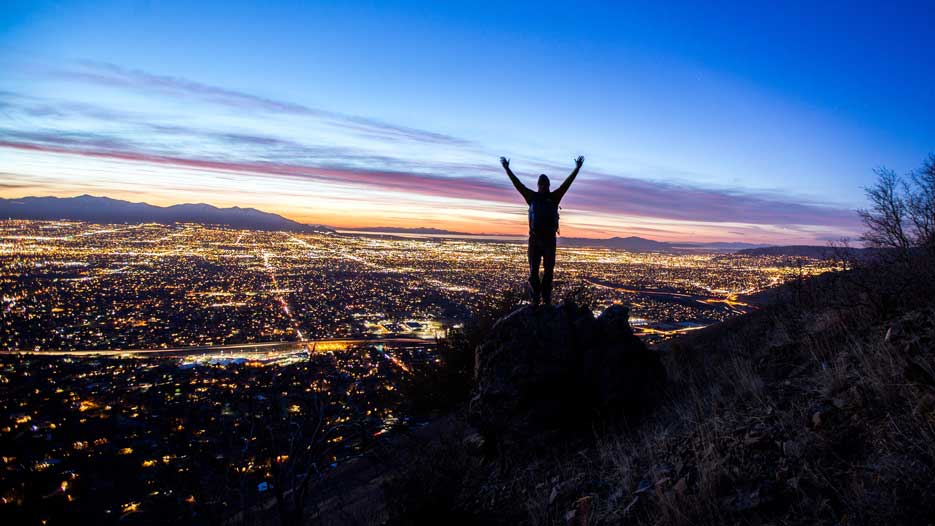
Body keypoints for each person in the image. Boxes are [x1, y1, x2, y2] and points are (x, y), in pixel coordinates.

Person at [500, 155, 584, 306]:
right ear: (539, 185)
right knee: (535, 271)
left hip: (547, 239)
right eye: (542, 184)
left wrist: (576, 169)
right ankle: (537, 299)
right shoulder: (534, 197)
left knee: (548, 271)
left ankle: (544, 299)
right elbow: (518, 184)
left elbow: (567, 184)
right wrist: (507, 169)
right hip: (538, 239)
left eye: (545, 184)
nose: (544, 187)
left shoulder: (550, 197)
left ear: (548, 185)